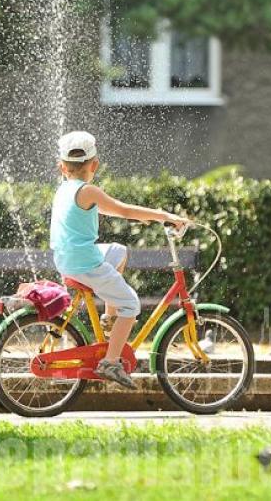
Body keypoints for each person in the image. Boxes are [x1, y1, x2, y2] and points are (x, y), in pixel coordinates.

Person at [50, 130, 190, 389]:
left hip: (69, 258)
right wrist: (163, 215)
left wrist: (151, 216)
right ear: (95, 165)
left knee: (118, 251)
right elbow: (123, 210)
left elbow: (110, 209)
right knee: (131, 304)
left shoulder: (66, 190)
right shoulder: (88, 190)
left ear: (61, 167)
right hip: (84, 263)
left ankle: (109, 319)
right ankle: (111, 363)